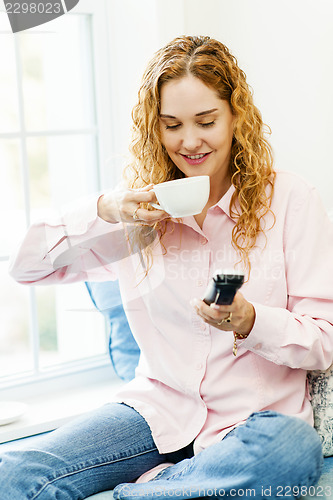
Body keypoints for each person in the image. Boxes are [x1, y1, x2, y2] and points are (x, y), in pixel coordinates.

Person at [1, 35, 333, 499]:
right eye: (172, 125)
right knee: (13, 471)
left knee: (291, 450)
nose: (190, 141)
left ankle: (145, 491)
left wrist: (250, 321)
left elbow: (325, 340)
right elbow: (25, 267)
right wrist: (105, 208)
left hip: (252, 425)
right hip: (155, 412)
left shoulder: (291, 201)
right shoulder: (138, 210)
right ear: (154, 128)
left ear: (236, 116)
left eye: (206, 121)